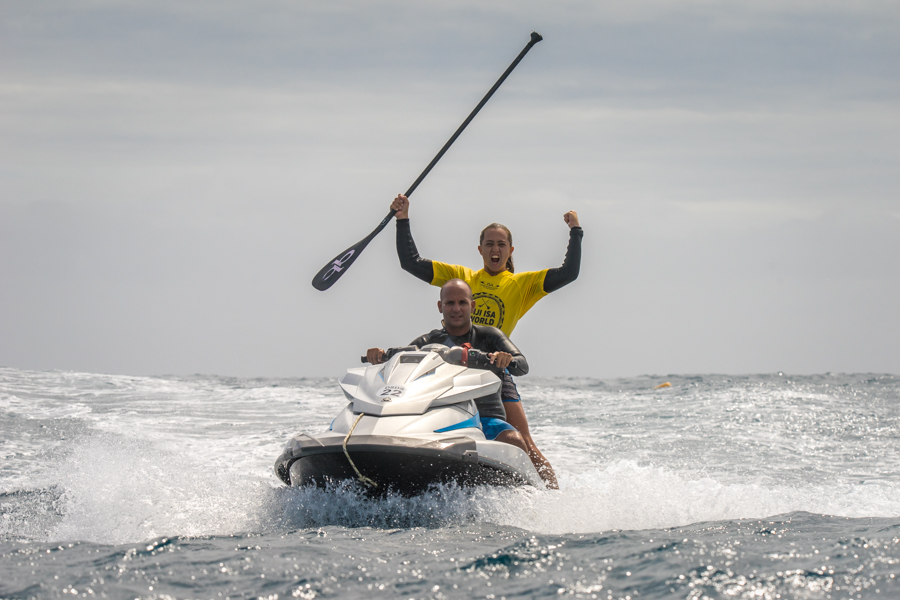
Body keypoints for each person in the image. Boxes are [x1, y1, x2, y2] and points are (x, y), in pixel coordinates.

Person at [389, 193, 583, 489]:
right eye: (489, 244)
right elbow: (411, 263)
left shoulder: (523, 284)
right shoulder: (463, 278)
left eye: (501, 244)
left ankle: (553, 497)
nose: (495, 249)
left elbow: (569, 273)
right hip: (451, 370)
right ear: (480, 249)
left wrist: (575, 231)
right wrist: (402, 219)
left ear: (510, 250)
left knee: (524, 442)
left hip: (495, 369)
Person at [365, 279, 557, 488]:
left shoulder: (489, 335)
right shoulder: (428, 340)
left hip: (485, 418)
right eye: (450, 303)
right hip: (441, 419)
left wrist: (506, 358)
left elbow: (522, 365)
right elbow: (403, 365)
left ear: (472, 305)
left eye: (462, 303)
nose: (456, 309)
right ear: (441, 307)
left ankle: (544, 496)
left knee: (516, 440)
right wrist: (381, 355)